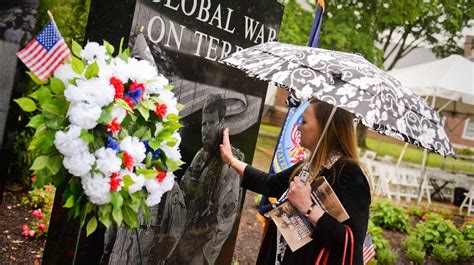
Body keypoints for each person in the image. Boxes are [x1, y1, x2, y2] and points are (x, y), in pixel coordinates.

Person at [220, 99, 371, 265]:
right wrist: (231, 160)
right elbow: (269, 184)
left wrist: (308, 207)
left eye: (304, 122)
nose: (298, 126)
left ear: (325, 128)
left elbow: (352, 245)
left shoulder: (348, 173)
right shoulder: (309, 166)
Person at [170, 93, 244, 265]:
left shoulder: (230, 162)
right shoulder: (200, 156)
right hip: (180, 243)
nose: (206, 129)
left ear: (222, 123)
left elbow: (225, 220)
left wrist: (203, 258)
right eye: (204, 123)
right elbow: (182, 192)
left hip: (200, 252)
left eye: (211, 122)